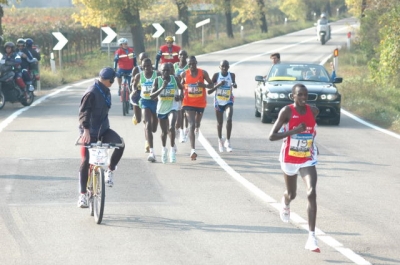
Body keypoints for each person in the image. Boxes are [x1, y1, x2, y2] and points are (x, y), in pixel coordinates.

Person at [268, 83, 320, 253]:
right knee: (292, 193)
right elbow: (272, 136)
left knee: (311, 192)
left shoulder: (314, 111)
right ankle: (286, 201)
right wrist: (294, 131)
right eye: (300, 95)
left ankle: (311, 237)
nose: (304, 98)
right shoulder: (287, 112)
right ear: (293, 96)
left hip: (307, 158)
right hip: (289, 158)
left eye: (306, 95)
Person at [77, 67, 125, 207]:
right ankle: (82, 195)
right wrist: (85, 130)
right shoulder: (91, 92)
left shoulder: (106, 91)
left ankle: (110, 170)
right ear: (109, 80)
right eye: (113, 79)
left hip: (103, 130)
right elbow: (84, 112)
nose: (113, 82)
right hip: (88, 131)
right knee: (86, 161)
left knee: (120, 144)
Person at [180, 55, 214, 160]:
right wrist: (180, 94)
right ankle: (193, 150)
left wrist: (203, 86)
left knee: (197, 124)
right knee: (191, 124)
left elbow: (212, 85)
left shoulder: (203, 73)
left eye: (193, 63)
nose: (191, 66)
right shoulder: (184, 74)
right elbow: (181, 86)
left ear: (196, 63)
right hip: (188, 103)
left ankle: (197, 129)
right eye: (189, 64)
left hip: (200, 103)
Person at [150, 63, 183, 163]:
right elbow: (152, 95)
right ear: (160, 71)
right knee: (164, 132)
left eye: (168, 70)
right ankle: (164, 149)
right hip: (161, 109)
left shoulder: (175, 79)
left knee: (171, 127)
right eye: (163, 70)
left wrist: (180, 96)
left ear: (170, 71)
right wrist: (162, 88)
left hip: (173, 107)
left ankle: (172, 150)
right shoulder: (157, 80)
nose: (165, 72)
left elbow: (181, 88)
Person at [132, 58, 160, 162]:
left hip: (156, 102)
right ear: (142, 67)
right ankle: (152, 152)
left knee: (154, 128)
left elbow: (163, 82)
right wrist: (135, 90)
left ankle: (151, 133)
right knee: (147, 124)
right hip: (145, 102)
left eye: (149, 66)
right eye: (145, 66)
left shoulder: (157, 74)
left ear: (151, 66)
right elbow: (134, 85)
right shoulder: (139, 76)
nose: (147, 68)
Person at [208, 60, 237, 153]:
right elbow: (210, 91)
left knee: (229, 119)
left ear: (229, 67)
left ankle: (228, 141)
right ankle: (220, 140)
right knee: (220, 123)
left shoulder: (232, 75)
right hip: (218, 102)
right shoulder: (216, 76)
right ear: (219, 67)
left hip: (228, 100)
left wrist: (234, 84)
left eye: (226, 66)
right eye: (222, 66)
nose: (224, 68)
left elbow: (234, 84)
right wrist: (219, 85)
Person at [173, 50, 189, 143]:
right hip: (177, 89)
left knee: (186, 112)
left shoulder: (189, 66)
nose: (182, 56)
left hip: (187, 90)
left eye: (184, 54)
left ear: (186, 56)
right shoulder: (175, 65)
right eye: (180, 55)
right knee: (181, 111)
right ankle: (181, 132)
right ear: (178, 56)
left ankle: (186, 129)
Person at [130, 52, 150, 125]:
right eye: (142, 59)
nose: (143, 61)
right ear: (139, 60)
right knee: (138, 120)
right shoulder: (136, 69)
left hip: (148, 94)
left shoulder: (152, 69)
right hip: (138, 93)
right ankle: (136, 115)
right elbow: (132, 83)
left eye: (145, 59)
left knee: (147, 119)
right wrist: (133, 91)